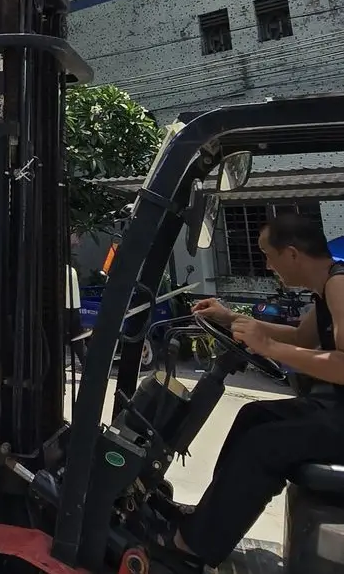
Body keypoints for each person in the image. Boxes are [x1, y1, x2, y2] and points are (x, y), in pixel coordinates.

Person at [156, 212, 344, 568]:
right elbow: (301, 339)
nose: (267, 264)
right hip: (333, 407)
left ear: (291, 253)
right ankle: (208, 520)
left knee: (264, 444)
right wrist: (231, 319)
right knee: (252, 415)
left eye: (267, 255)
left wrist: (270, 349)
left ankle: (194, 548)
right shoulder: (326, 287)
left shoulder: (340, 285)